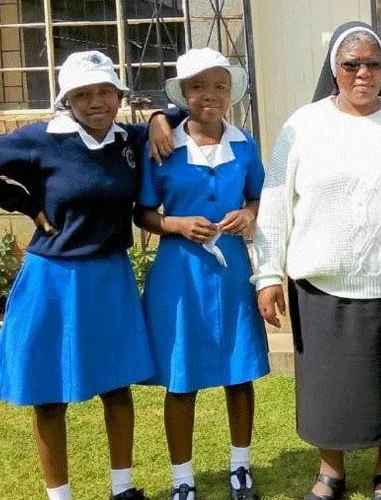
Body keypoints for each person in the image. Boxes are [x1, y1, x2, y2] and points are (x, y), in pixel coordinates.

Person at [251, 21, 381, 500]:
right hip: (323, 285)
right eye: (351, 64)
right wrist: (268, 274)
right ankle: (330, 471)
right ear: (334, 69)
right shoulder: (302, 126)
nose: (363, 73)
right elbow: (274, 203)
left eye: (373, 64)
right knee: (327, 389)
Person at [0, 51, 156, 500]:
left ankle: (122, 489)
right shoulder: (42, 139)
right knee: (49, 394)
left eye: (105, 91)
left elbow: (170, 120)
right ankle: (60, 496)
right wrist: (25, 205)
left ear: (118, 95)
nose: (97, 102)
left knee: (116, 387)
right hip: (53, 280)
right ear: (66, 98)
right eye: (84, 93)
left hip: (109, 277)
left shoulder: (127, 141)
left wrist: (160, 119)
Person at [135, 47, 269, 500]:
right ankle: (183, 479)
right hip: (180, 273)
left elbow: (258, 196)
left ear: (230, 93)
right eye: (197, 86)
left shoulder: (245, 144)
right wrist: (175, 224)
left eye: (218, 86)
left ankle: (240, 467)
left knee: (239, 371)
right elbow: (144, 212)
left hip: (230, 270)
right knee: (181, 376)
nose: (208, 95)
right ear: (183, 94)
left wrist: (249, 216)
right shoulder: (164, 143)